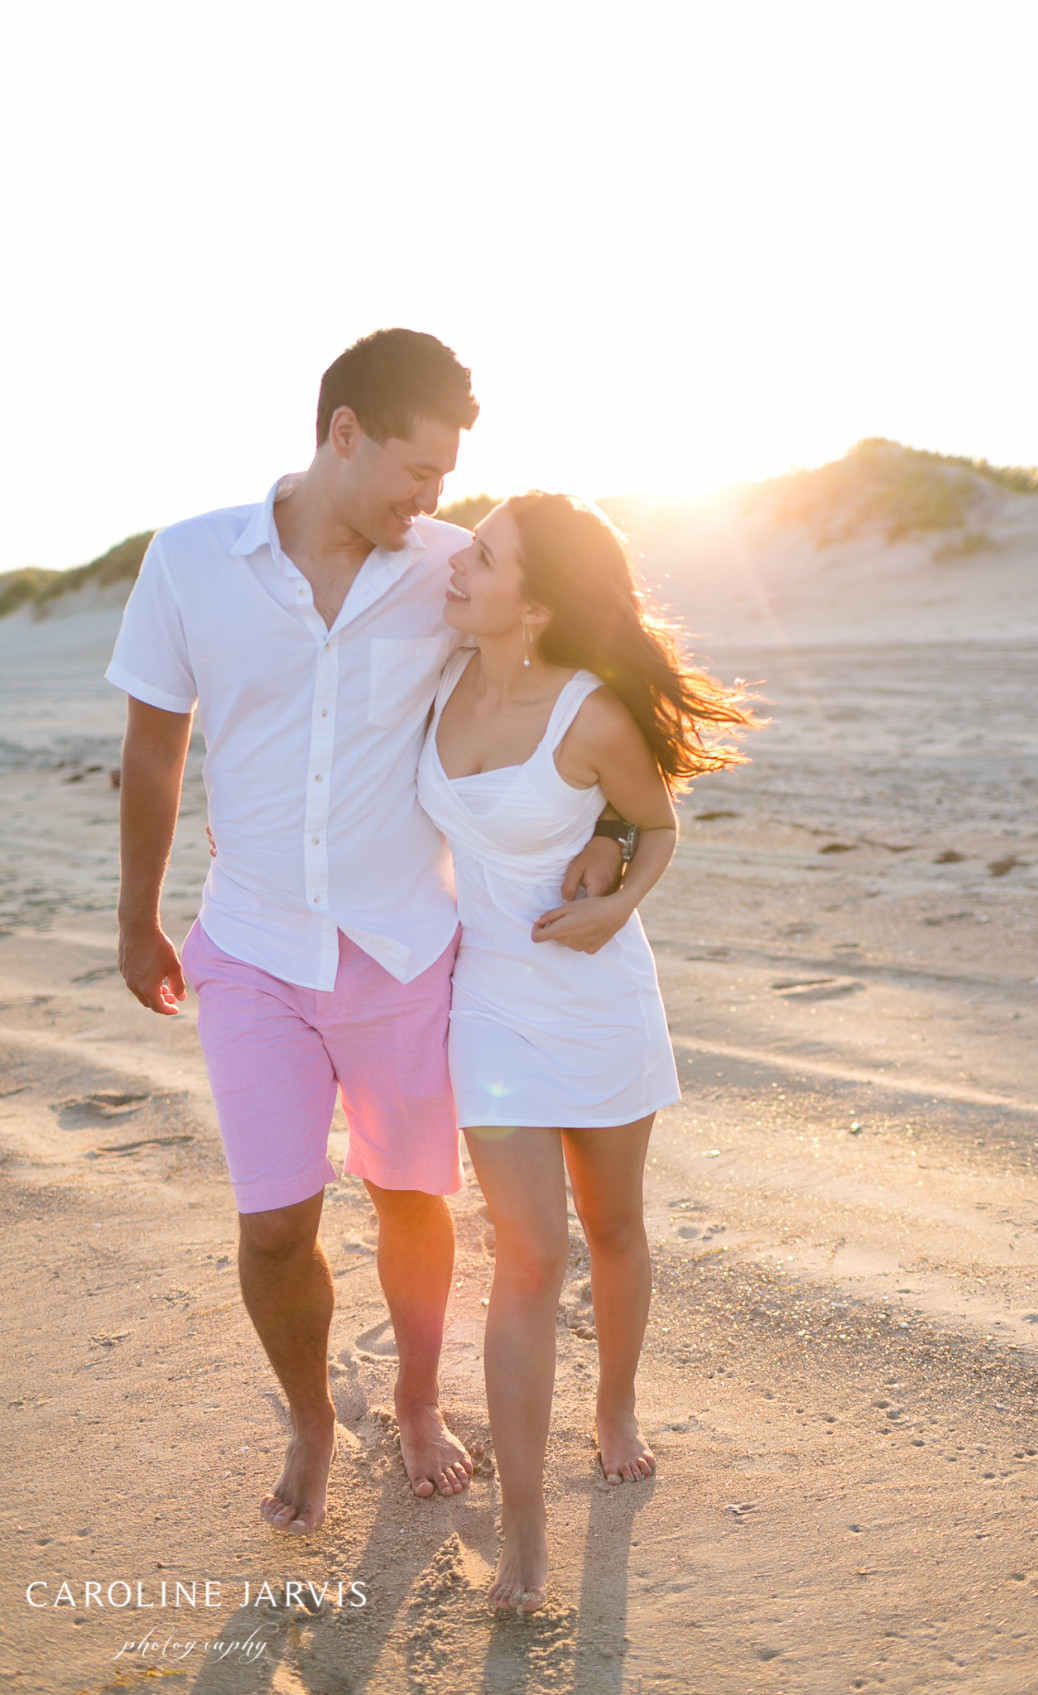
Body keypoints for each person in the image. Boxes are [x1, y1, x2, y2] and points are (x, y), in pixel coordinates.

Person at [106, 330, 622, 1536]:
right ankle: (309, 1419)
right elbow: (152, 748)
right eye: (418, 470)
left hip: (404, 950)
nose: (430, 500)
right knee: (274, 1224)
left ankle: (416, 1401)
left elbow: (567, 678)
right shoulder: (190, 560)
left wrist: (612, 829)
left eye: (445, 480)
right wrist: (136, 917)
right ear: (344, 433)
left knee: (409, 1197)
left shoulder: (448, 568)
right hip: (252, 948)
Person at [416, 490, 751, 1609]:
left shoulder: (591, 713)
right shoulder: (433, 675)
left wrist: (617, 890)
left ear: (536, 604)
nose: (457, 565)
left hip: (596, 997)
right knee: (527, 1254)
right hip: (487, 1004)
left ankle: (615, 1402)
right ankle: (523, 1530)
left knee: (612, 1227)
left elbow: (655, 821)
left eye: (483, 557)